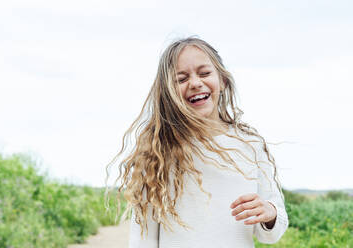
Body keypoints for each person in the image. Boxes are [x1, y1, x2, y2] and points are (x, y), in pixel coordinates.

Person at [104, 36, 289, 248]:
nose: (194, 83)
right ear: (168, 93)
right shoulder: (158, 152)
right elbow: (143, 238)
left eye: (204, 73)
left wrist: (269, 213)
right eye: (181, 79)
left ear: (223, 80)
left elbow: (271, 233)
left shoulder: (250, 144)